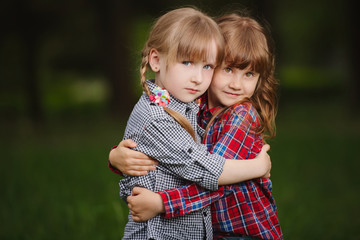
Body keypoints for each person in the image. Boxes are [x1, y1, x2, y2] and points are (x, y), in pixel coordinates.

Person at [110, 12, 283, 240]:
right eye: (227, 69)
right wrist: (116, 157)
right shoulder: (191, 104)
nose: (236, 84)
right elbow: (165, 146)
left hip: (242, 232)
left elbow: (211, 179)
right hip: (209, 229)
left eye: (249, 74)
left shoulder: (240, 115)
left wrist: (162, 203)